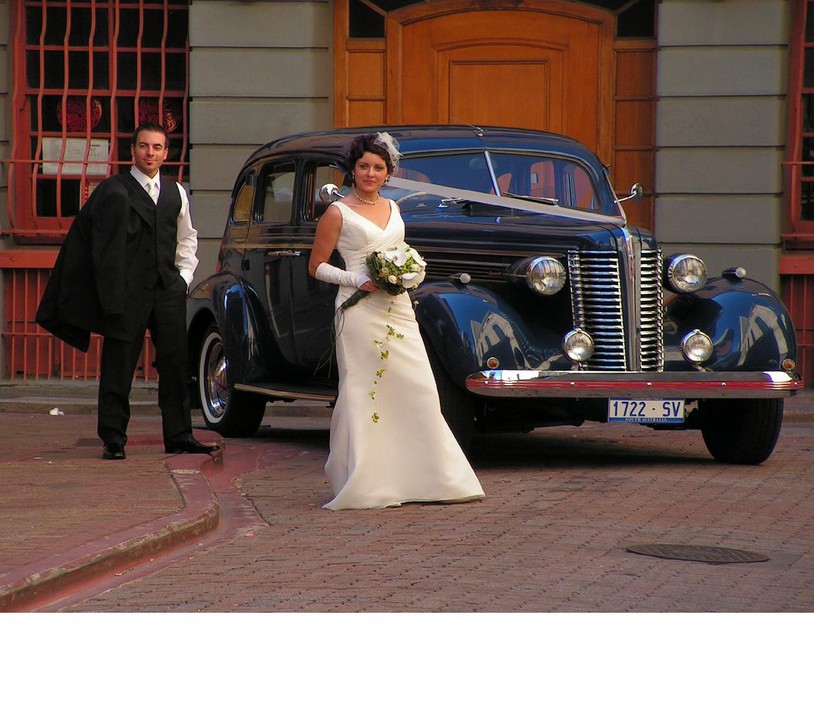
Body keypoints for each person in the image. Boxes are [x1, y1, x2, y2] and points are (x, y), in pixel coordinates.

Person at [308, 132, 485, 510]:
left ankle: (433, 477)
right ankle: (365, 480)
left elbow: (399, 251)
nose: (370, 173)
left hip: (398, 308)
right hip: (357, 309)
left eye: (378, 168)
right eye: (364, 167)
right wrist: (358, 279)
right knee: (362, 387)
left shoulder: (395, 208)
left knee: (417, 385)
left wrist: (407, 274)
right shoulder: (337, 212)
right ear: (352, 170)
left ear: (388, 173)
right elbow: (317, 266)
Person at [36, 122, 220, 460]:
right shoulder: (112, 190)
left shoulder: (175, 191)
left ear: (166, 153)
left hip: (167, 290)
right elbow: (98, 248)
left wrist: (184, 278)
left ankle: (179, 436)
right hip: (125, 293)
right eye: (144, 146)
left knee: (176, 364)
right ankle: (113, 439)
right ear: (132, 150)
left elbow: (187, 237)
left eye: (157, 147)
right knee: (118, 365)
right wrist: (108, 295)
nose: (150, 153)